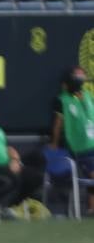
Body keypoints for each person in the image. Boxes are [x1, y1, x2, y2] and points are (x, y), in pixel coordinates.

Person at [49, 66, 94, 216]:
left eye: (82, 76)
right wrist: (54, 143)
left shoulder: (88, 95)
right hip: (80, 147)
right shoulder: (62, 100)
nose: (80, 79)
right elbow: (58, 124)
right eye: (77, 76)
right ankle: (91, 208)